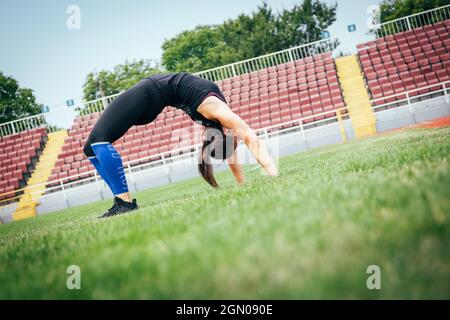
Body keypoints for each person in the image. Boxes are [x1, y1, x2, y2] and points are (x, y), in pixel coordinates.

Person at [83, 72, 279, 218]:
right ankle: (121, 201)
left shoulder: (216, 119)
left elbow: (240, 148)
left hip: (150, 92)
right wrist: (261, 178)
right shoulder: (218, 116)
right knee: (90, 148)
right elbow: (250, 141)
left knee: (99, 140)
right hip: (152, 98)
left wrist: (259, 179)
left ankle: (124, 203)